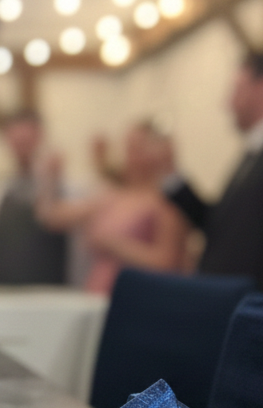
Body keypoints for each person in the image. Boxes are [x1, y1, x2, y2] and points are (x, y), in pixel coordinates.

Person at [161, 51, 263, 300]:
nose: (228, 103)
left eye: (237, 89)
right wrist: (170, 173)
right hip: (228, 307)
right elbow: (219, 226)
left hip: (254, 316)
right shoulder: (257, 154)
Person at [37, 121, 192, 296]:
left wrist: (114, 245)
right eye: (128, 148)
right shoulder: (110, 196)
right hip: (99, 292)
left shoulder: (166, 203)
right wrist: (49, 177)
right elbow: (52, 218)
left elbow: (169, 262)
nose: (131, 156)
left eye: (138, 149)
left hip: (139, 295)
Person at [0, 110, 68, 285]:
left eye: (26, 142)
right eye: (16, 142)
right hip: (4, 289)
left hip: (51, 292)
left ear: (40, 139)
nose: (21, 148)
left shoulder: (63, 188)